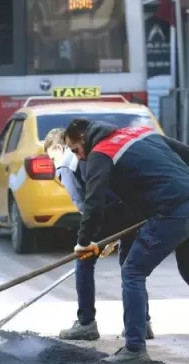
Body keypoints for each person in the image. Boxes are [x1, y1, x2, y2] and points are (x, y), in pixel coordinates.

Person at [64, 117, 189, 361]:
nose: (78, 157)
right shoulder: (140, 133)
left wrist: (84, 241)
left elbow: (94, 201)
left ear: (83, 138)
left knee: (132, 271)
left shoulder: (101, 151)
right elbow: (186, 152)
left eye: (76, 150)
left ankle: (134, 349)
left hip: (176, 212)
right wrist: (179, 186)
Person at [43, 129, 155, 343]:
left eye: (51, 157)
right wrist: (111, 237)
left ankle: (86, 323)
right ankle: (141, 322)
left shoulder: (67, 163)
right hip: (131, 210)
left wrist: (94, 238)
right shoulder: (94, 153)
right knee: (130, 267)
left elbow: (84, 205)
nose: (53, 163)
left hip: (107, 213)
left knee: (83, 261)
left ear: (59, 147)